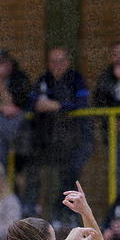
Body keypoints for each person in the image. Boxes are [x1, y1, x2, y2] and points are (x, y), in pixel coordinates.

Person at [23, 47, 93, 221]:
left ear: (68, 62)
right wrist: (38, 106)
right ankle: (31, 210)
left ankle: (68, 215)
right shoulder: (43, 79)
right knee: (32, 171)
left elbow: (82, 104)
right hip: (45, 141)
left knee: (69, 177)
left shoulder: (76, 79)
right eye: (54, 61)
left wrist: (57, 106)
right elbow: (29, 104)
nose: (57, 65)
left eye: (61, 61)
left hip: (74, 141)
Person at [92, 41, 120, 194]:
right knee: (115, 173)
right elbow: (98, 106)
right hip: (113, 134)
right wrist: (113, 123)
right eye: (116, 54)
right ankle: (117, 208)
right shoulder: (105, 78)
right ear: (111, 58)